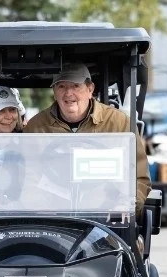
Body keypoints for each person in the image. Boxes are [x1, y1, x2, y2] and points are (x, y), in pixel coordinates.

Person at [24, 62, 152, 221]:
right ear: (54, 92)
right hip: (51, 217)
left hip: (105, 216)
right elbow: (27, 175)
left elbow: (138, 176)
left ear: (90, 89)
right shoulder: (36, 127)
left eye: (76, 86)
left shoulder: (119, 124)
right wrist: (38, 206)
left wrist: (125, 204)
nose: (68, 93)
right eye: (62, 86)